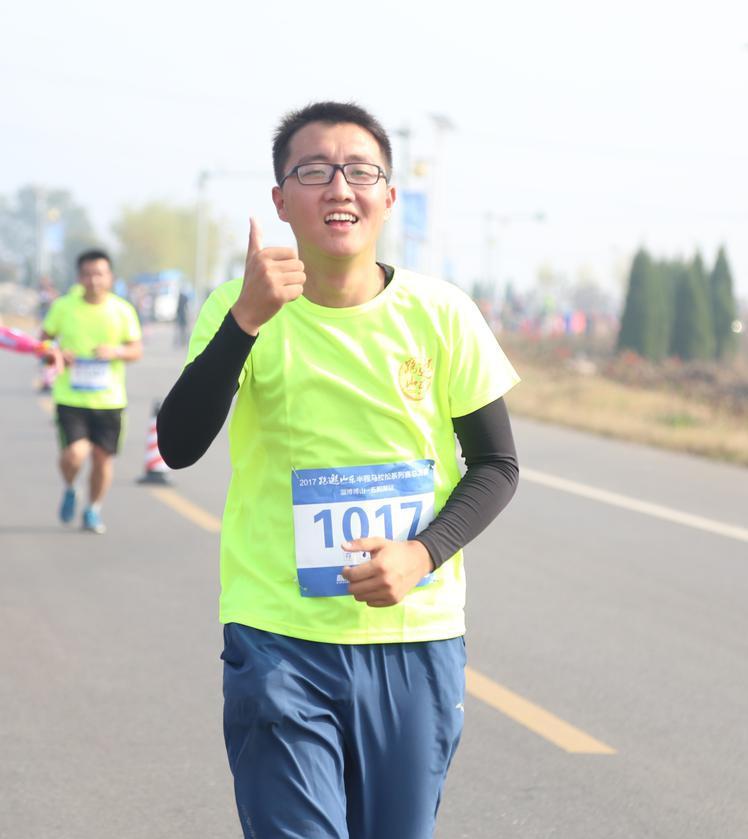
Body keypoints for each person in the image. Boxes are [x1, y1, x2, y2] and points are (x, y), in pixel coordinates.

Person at [157, 101, 520, 838]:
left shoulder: (442, 313)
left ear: (389, 196)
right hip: (278, 639)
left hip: (413, 638)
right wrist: (245, 322)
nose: (339, 188)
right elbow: (179, 443)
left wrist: (421, 553)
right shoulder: (237, 308)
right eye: (314, 171)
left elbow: (496, 465)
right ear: (279, 199)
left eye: (360, 171)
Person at [42, 249, 142, 534]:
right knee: (75, 454)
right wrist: (57, 353)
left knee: (102, 459)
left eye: (99, 274)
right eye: (87, 274)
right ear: (79, 277)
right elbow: (43, 343)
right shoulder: (63, 307)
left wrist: (116, 351)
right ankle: (71, 487)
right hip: (70, 397)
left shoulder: (122, 310)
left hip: (110, 400)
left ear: (110, 277)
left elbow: (136, 350)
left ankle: (93, 509)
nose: (93, 280)